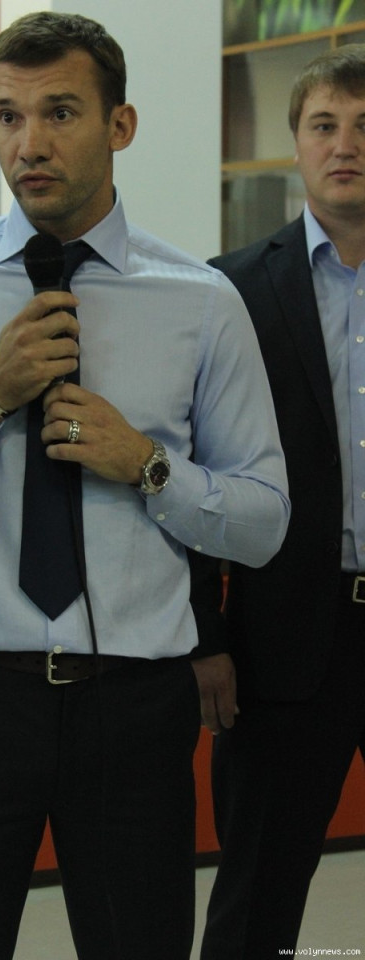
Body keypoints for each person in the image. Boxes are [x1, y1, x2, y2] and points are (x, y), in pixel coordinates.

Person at [0, 13, 289, 960]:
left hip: (134, 708)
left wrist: (148, 465)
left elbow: (262, 522)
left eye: (60, 113)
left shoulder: (202, 303)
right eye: (8, 116)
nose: (28, 144)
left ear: (120, 125)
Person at [190, 43, 365, 960]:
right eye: (324, 125)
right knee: (258, 897)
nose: (346, 144)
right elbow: (194, 472)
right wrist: (204, 635)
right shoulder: (232, 289)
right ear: (295, 142)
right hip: (283, 641)